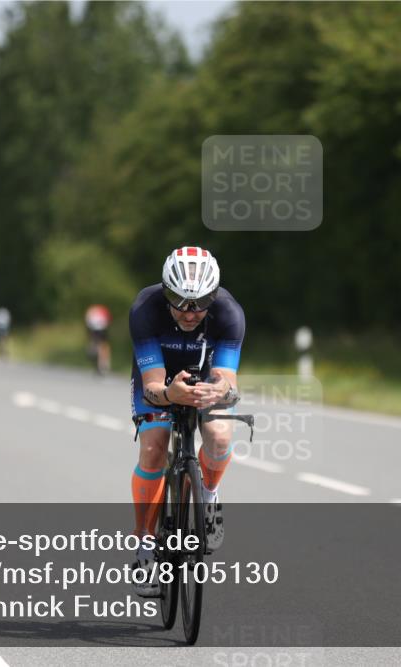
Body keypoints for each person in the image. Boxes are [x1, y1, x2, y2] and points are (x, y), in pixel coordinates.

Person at [128, 246, 244, 597]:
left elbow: (229, 383)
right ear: (166, 292)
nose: (190, 313)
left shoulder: (228, 313)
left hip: (205, 377)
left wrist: (219, 391)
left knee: (220, 438)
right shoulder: (145, 310)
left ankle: (208, 492)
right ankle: (145, 546)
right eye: (179, 301)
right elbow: (151, 387)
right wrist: (169, 395)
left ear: (214, 295)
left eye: (201, 302)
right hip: (160, 379)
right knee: (153, 447)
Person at [85, 303, 112, 374]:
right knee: (103, 345)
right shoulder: (102, 310)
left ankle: (94, 353)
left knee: (97, 344)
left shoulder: (92, 310)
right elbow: (108, 320)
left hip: (94, 330)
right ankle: (104, 363)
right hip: (102, 329)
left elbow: (87, 320)